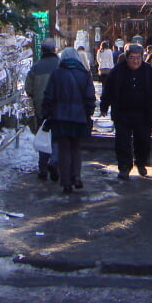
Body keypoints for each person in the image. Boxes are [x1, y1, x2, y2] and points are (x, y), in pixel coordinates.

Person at [99, 43, 152, 179]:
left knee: (143, 141)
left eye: (138, 57)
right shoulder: (117, 70)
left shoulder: (147, 70)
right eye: (132, 57)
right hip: (122, 112)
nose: (136, 61)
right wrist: (104, 105)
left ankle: (141, 163)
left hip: (143, 112)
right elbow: (108, 89)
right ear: (126, 58)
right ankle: (124, 167)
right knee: (122, 142)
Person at [41, 47, 96, 194]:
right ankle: (76, 176)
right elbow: (90, 97)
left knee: (64, 149)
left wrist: (46, 113)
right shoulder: (84, 74)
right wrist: (88, 112)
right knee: (76, 148)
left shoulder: (57, 74)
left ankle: (65, 182)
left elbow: (49, 96)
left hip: (60, 118)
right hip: (79, 117)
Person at [24, 39, 60, 181]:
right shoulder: (61, 65)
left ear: (42, 50)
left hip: (41, 108)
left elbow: (28, 89)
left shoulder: (36, 67)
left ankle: (43, 168)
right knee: (57, 137)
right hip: (58, 108)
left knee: (43, 135)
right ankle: (55, 163)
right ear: (54, 49)